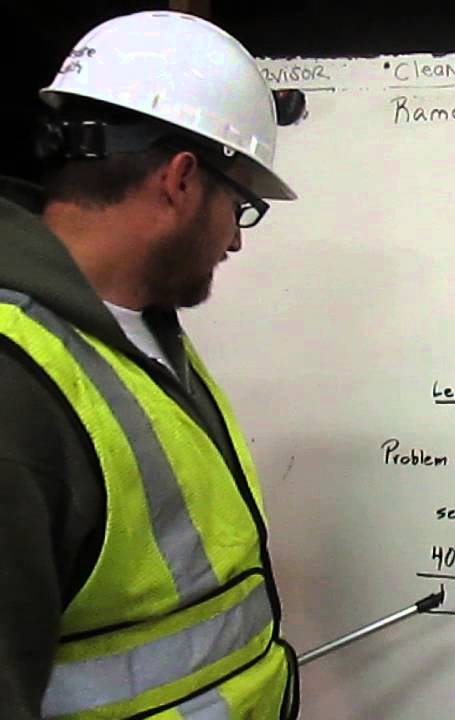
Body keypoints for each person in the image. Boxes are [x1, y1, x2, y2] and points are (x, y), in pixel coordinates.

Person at [0, 11, 300, 719]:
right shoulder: (16, 387)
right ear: (181, 180)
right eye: (241, 205)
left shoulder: (139, 330)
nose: (235, 239)